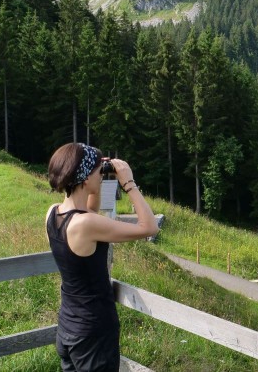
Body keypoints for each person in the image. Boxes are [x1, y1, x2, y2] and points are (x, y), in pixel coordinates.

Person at [46, 142, 159, 371]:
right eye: (98, 171)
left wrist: (95, 181)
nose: (101, 174)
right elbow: (149, 227)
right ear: (85, 178)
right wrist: (128, 183)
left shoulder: (53, 213)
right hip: (93, 335)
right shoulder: (86, 224)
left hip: (68, 327)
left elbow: (88, 212)